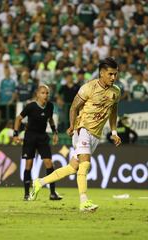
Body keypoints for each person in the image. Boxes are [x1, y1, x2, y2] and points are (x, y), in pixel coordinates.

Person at [29, 57, 122, 212]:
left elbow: (113, 112)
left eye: (115, 74)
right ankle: (84, 201)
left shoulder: (116, 92)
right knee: (85, 164)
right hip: (82, 129)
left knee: (74, 167)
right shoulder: (88, 88)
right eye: (110, 74)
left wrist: (114, 132)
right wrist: (72, 125)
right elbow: (73, 107)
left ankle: (39, 182)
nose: (114, 77)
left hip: (96, 134)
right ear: (101, 73)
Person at [13, 84, 62, 201]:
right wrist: (15, 134)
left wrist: (55, 132)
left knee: (49, 163)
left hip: (42, 137)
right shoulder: (31, 106)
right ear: (37, 94)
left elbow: (50, 119)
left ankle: (53, 193)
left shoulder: (50, 106)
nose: (45, 95)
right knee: (28, 164)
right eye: (43, 93)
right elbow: (18, 118)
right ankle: (26, 194)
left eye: (47, 93)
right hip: (30, 136)